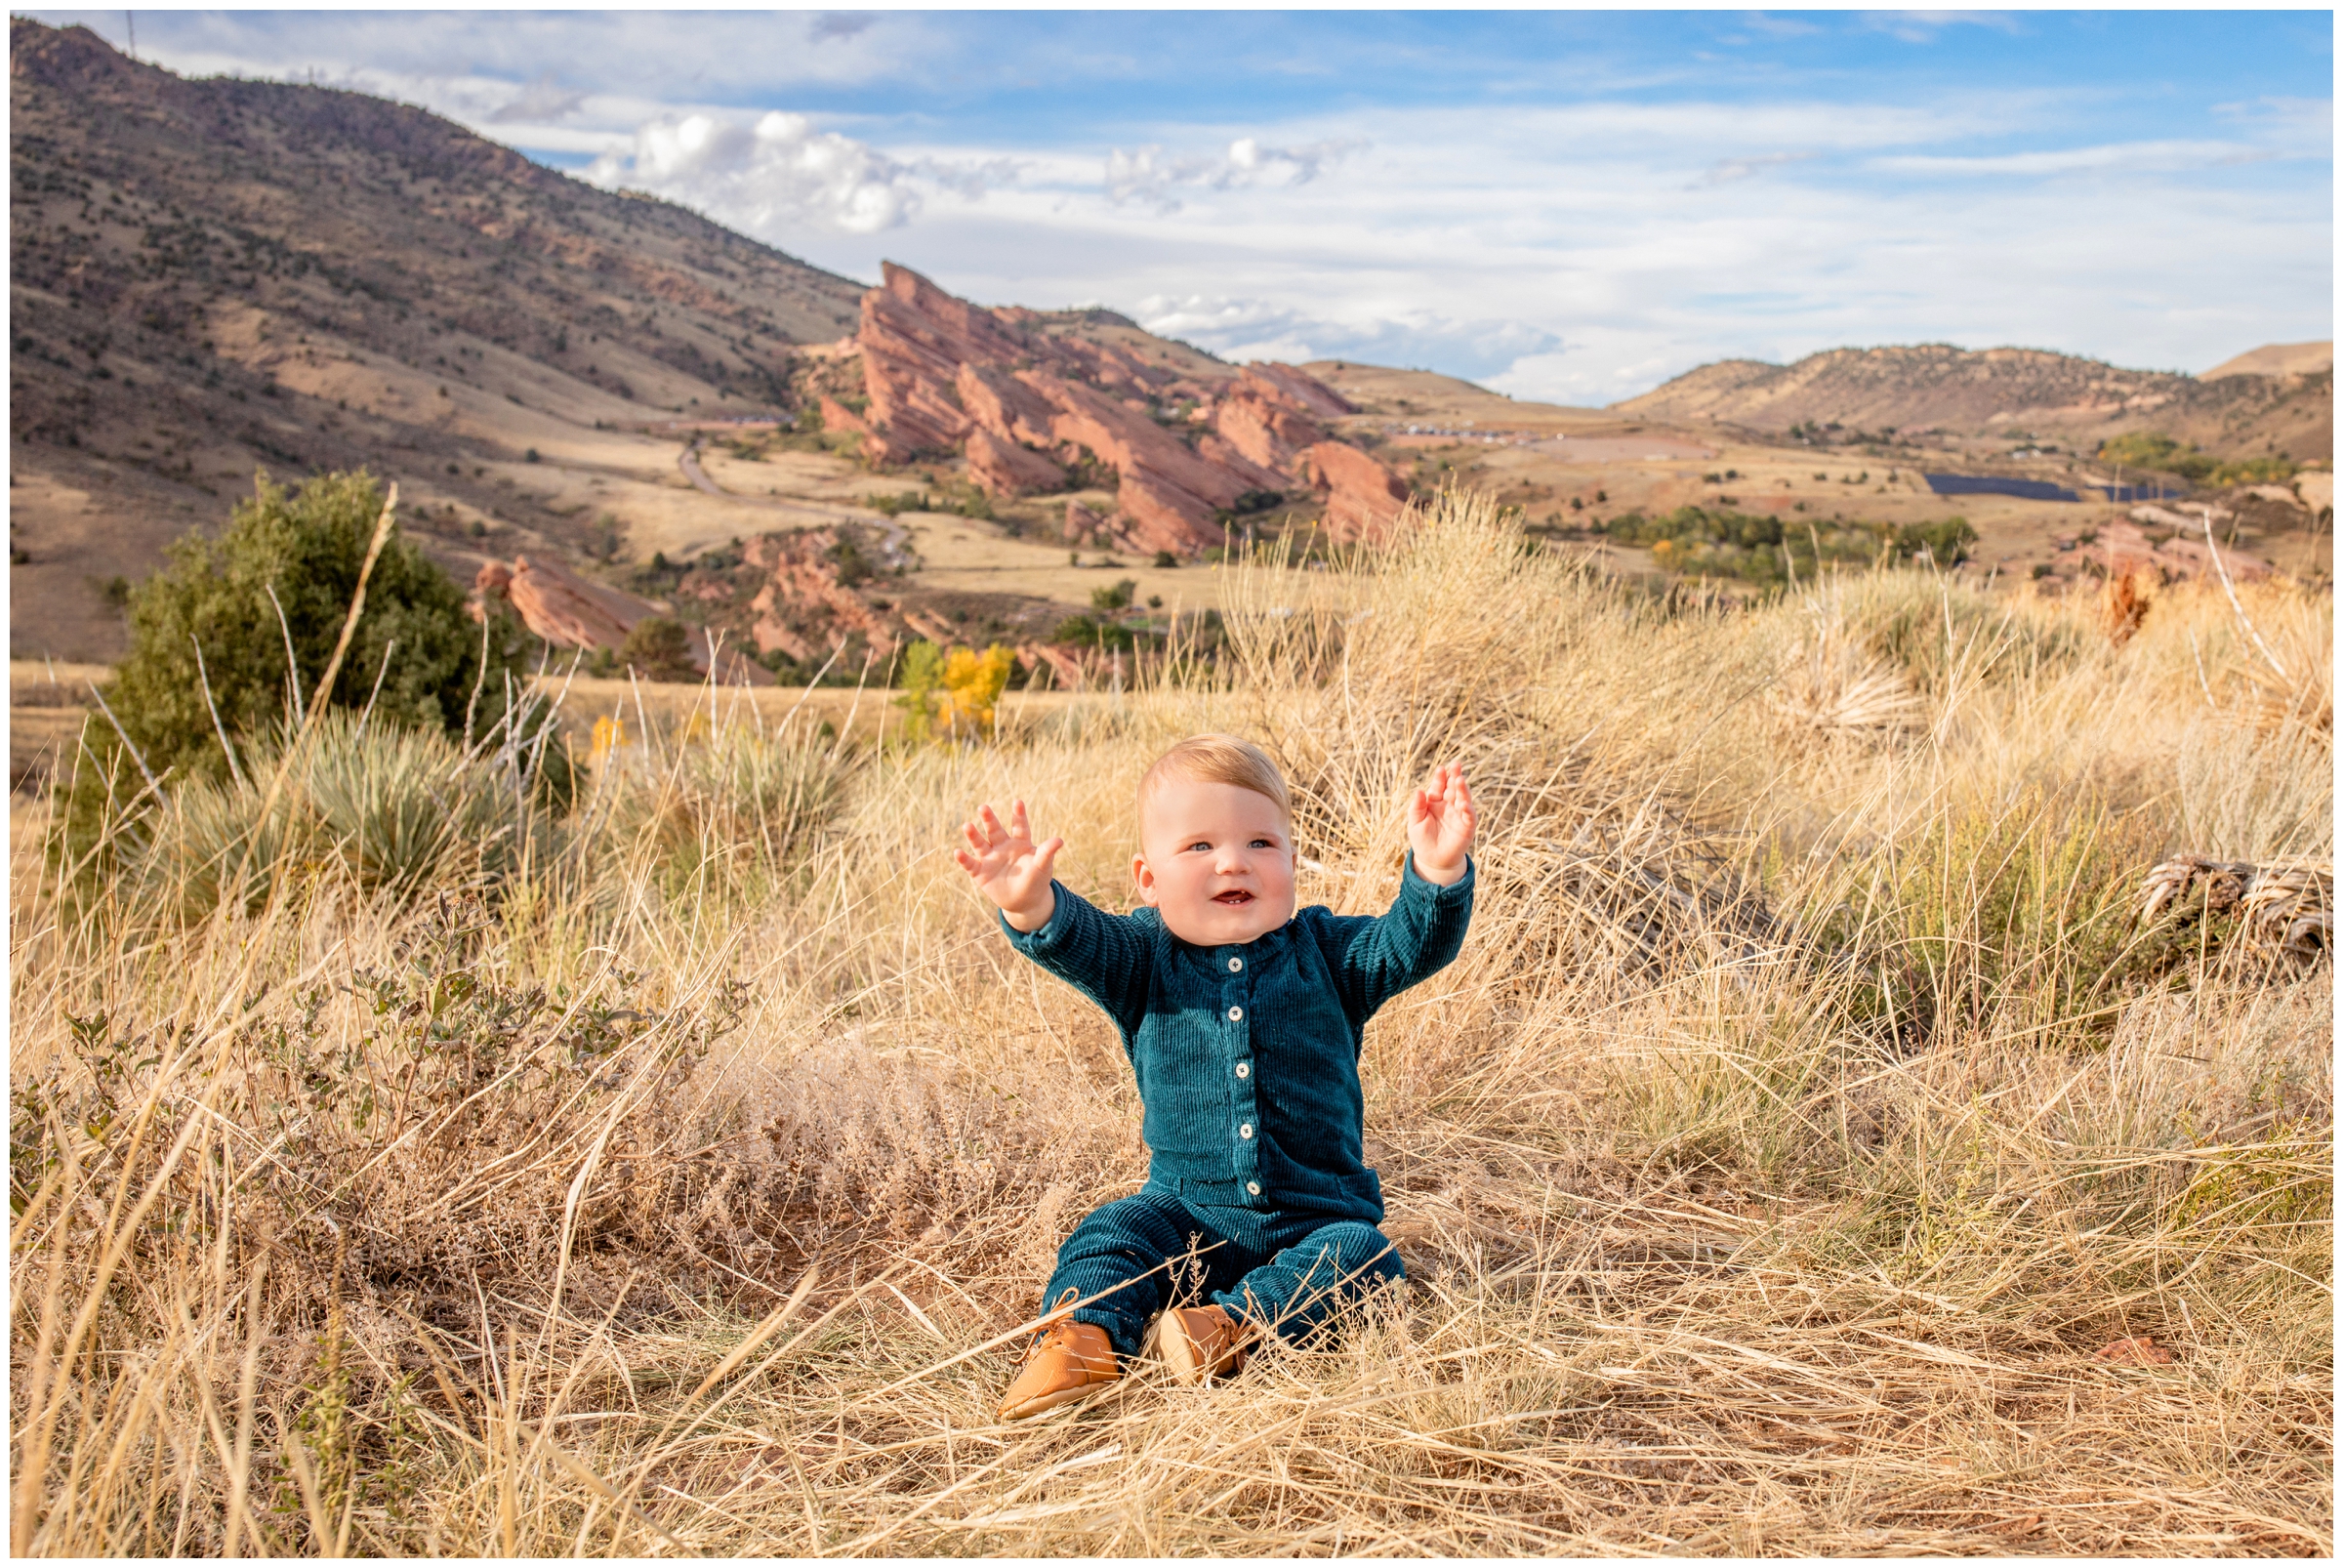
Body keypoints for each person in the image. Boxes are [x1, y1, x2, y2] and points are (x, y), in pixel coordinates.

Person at [953, 734, 1477, 1420]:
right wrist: (1030, 904)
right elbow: (1078, 939)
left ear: (1292, 859)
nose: (1234, 861)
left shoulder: (1330, 954)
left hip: (1315, 1221)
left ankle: (1227, 1329)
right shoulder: (1142, 957)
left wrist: (1437, 872)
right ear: (1148, 878)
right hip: (1186, 1215)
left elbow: (1409, 944)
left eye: (1261, 843)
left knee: (1366, 1258)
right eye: (1200, 847)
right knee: (1111, 1233)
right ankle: (1078, 1341)